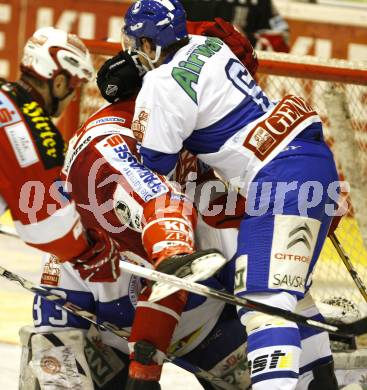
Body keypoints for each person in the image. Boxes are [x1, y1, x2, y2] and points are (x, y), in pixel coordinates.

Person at [122, 1, 340, 389]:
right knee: (289, 294)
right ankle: (320, 380)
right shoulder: (210, 46)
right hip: (308, 161)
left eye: (138, 41)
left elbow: (155, 163)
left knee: (264, 306)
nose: (135, 50)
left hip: (280, 179)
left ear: (150, 41)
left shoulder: (161, 83)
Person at [0, 27, 122, 284]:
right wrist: (89, 253)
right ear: (58, 82)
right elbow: (44, 226)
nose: (74, 96)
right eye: (74, 87)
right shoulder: (35, 135)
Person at [181, 0, 290, 51]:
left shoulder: (258, 3)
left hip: (237, 76)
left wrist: (244, 40)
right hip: (185, 69)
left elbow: (283, 40)